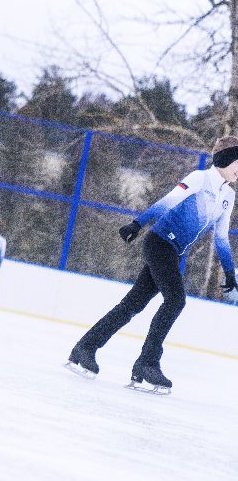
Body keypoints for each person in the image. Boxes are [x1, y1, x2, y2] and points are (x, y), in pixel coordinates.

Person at [66, 136, 238, 394]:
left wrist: (229, 272)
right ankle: (147, 363)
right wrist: (137, 224)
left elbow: (221, 237)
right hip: (158, 243)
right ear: (225, 159)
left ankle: (85, 348)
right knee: (176, 300)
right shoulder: (199, 179)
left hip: (175, 251)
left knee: (132, 304)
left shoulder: (228, 195)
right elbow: (167, 202)